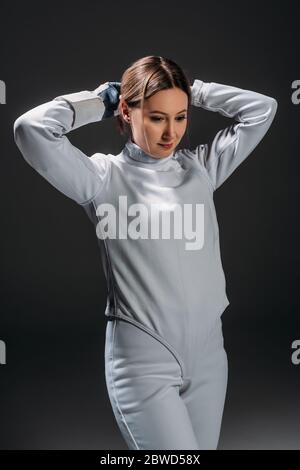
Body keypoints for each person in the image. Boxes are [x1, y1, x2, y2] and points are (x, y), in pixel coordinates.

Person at [13, 55, 278, 450]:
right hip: (143, 360)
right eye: (157, 117)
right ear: (127, 111)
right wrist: (98, 101)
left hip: (209, 356)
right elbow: (30, 129)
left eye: (181, 116)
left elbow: (262, 110)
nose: (171, 132)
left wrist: (196, 90)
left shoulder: (200, 168)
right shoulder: (101, 178)